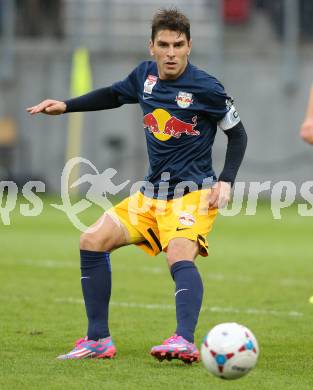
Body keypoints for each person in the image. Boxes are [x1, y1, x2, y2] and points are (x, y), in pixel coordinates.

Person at [27, 8, 247, 364]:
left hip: (192, 196)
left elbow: (237, 135)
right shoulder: (144, 78)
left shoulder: (206, 88)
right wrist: (65, 106)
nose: (171, 52)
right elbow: (114, 95)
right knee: (91, 241)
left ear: (189, 46)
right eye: (164, 44)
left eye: (178, 44)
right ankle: (98, 340)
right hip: (150, 196)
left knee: (178, 254)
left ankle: (184, 340)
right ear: (152, 47)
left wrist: (226, 181)